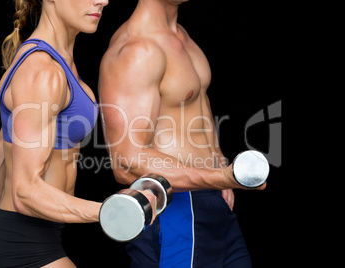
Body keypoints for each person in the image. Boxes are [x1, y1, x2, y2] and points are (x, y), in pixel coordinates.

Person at [0, 0, 157, 267]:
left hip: (27, 236)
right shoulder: (42, 72)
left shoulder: (55, 62)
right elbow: (25, 191)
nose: (104, 0)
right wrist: (111, 210)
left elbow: (0, 150)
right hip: (25, 243)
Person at [99, 0, 266, 267]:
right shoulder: (137, 50)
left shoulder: (182, 36)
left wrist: (219, 164)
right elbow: (126, 161)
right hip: (176, 207)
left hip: (213, 198)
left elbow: (196, 104)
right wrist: (219, 177)